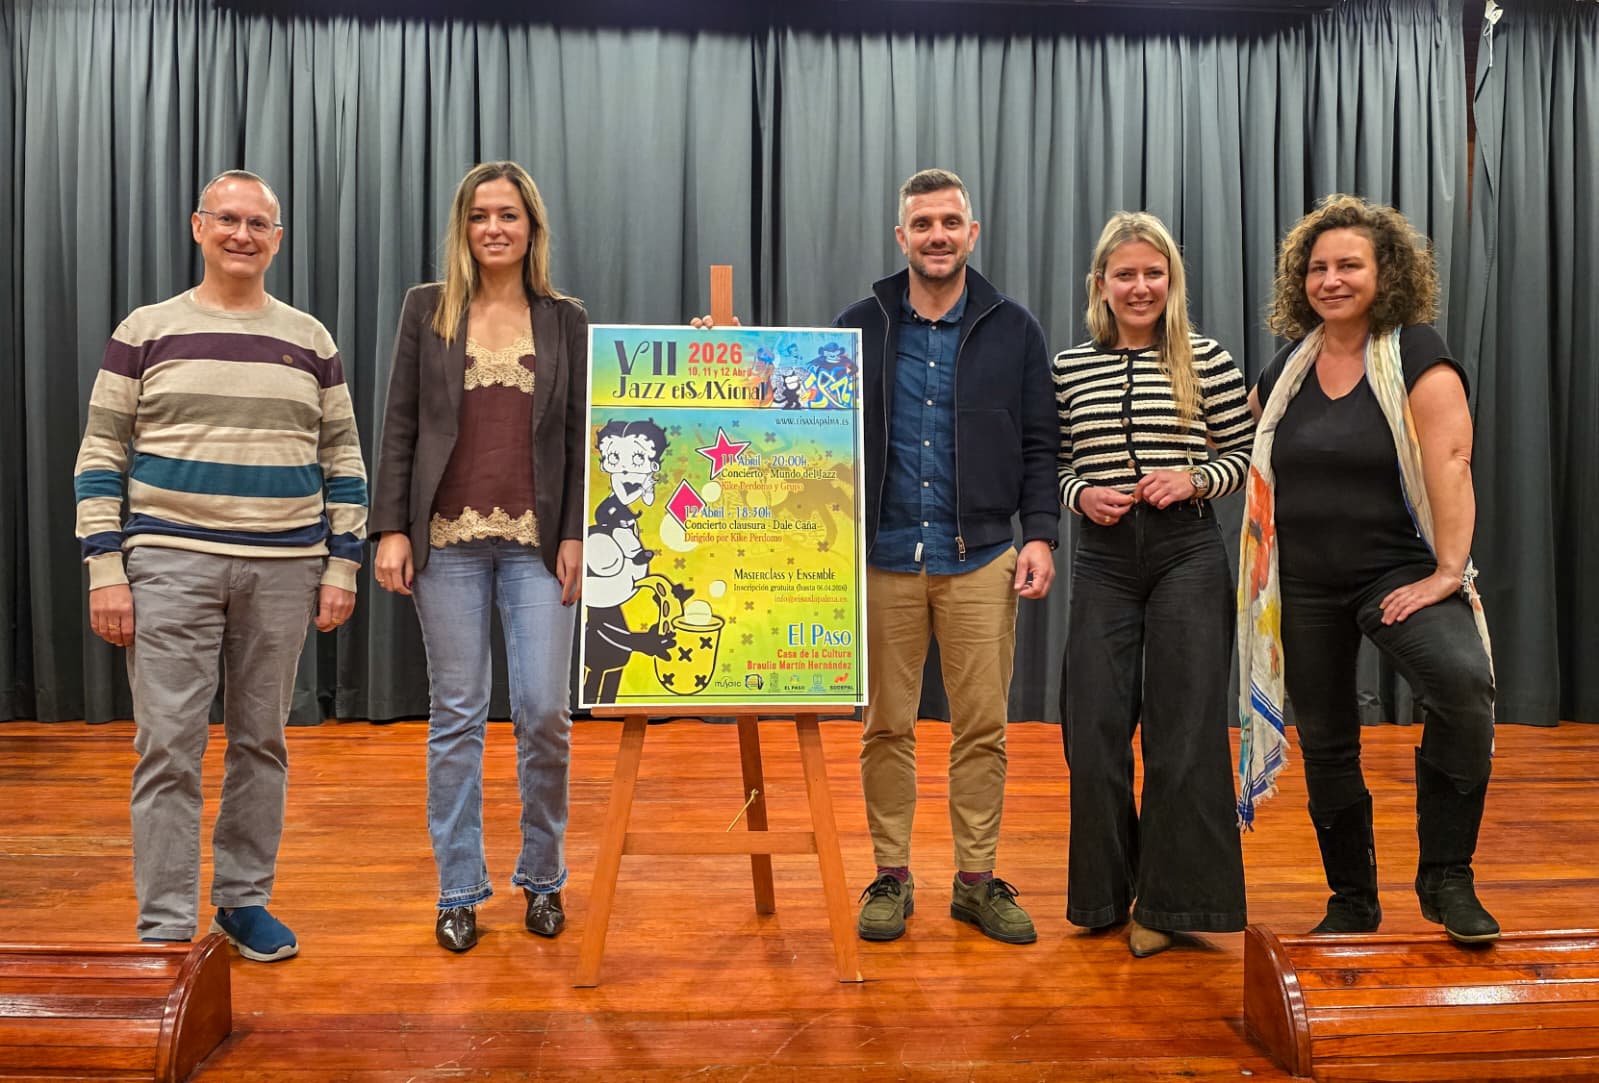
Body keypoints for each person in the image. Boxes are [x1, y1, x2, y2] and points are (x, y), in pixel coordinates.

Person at [705, 168, 1059, 943]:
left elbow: (1040, 440)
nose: (937, 235)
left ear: (972, 233)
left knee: (982, 728)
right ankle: (891, 876)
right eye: (922, 224)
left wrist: (1038, 532)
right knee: (886, 726)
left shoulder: (1014, 328)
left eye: (950, 222)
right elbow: (789, 407)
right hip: (880, 558)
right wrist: (722, 355)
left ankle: (975, 881)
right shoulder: (857, 326)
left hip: (980, 557)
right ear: (901, 237)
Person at [73, 169, 368, 960]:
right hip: (169, 565)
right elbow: (100, 451)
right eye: (227, 219)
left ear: (278, 239)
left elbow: (343, 456)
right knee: (167, 745)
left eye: (258, 223)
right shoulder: (146, 330)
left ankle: (243, 901)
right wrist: (105, 565)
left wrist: (342, 565)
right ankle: (166, 927)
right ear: (198, 227)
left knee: (261, 741)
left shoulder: (310, 339)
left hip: (285, 569)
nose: (243, 234)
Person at [1237, 193, 1498, 943]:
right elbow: (1238, 442)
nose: (1330, 280)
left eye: (1348, 265)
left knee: (1462, 686)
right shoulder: (1287, 368)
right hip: (1303, 583)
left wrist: (1447, 572)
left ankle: (1447, 877)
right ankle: (1351, 900)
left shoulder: (1416, 353)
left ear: (1386, 273)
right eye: (1317, 268)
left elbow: (1452, 461)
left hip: (1395, 569)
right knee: (1326, 739)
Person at [371, 161, 587, 953]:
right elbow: (399, 421)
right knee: (457, 716)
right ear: (462, 227)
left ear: (532, 227)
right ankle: (458, 889)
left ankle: (544, 876)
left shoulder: (565, 318)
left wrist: (575, 533)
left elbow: (579, 433)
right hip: (446, 542)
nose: (493, 228)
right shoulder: (425, 307)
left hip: (539, 545)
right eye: (479, 215)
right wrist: (391, 527)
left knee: (544, 713)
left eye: (508, 214)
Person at [1052, 212, 1254, 957]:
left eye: (1152, 273)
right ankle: (1102, 893)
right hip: (1103, 558)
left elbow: (1245, 454)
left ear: (1172, 280)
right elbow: (1056, 460)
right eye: (1125, 274)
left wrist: (1195, 478)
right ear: (1100, 284)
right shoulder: (1068, 368)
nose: (1139, 287)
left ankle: (1172, 904)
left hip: (1186, 554)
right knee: (1094, 728)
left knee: (1184, 729)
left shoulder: (1207, 359)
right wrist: (1080, 494)